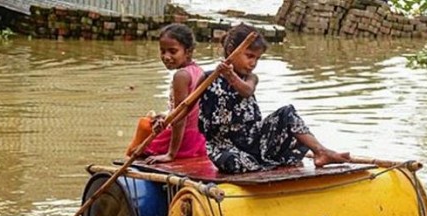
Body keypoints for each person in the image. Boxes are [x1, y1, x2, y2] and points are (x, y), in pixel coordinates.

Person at [198, 23, 350, 174]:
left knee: (287, 113)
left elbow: (247, 91)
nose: (253, 63)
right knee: (231, 162)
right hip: (224, 145)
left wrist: (231, 76)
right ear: (231, 51)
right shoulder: (207, 78)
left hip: (254, 138)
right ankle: (259, 163)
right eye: (249, 56)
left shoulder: (250, 78)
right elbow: (188, 107)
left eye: (257, 58)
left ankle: (320, 151)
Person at [125, 23, 207, 163]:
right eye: (163, 51)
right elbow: (190, 111)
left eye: (172, 51)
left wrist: (170, 154)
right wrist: (166, 117)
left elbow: (181, 117)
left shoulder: (181, 76)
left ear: (188, 52)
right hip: (198, 138)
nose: (166, 56)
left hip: (184, 141)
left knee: (135, 152)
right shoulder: (198, 71)